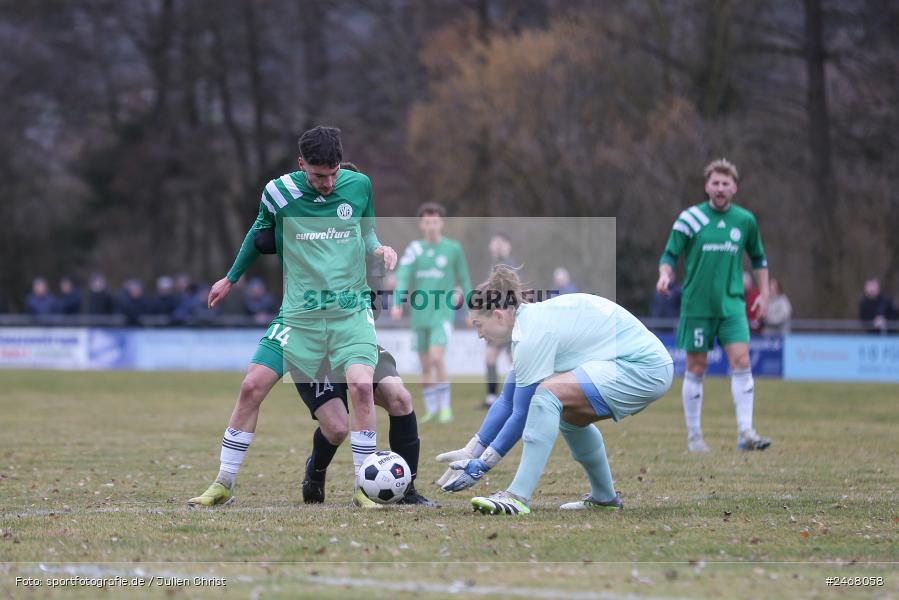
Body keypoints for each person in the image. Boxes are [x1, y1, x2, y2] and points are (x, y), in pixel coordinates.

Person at [188, 127, 397, 508]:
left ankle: (363, 489)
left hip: (350, 312)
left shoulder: (360, 185)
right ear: (301, 165)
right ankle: (223, 483)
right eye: (319, 176)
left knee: (361, 387)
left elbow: (367, 232)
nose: (328, 183)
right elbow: (258, 233)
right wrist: (230, 278)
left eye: (333, 174)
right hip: (299, 316)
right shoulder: (278, 192)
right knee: (251, 386)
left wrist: (379, 248)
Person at [250, 162, 435, 507]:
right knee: (336, 428)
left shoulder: (367, 245)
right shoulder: (306, 230)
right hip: (312, 344)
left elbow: (374, 307)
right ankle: (315, 471)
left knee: (400, 398)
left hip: (353, 338)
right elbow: (264, 236)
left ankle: (406, 489)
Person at [435, 266, 673, 515]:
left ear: (498, 316)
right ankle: (604, 498)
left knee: (547, 396)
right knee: (569, 417)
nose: (478, 334)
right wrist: (472, 450)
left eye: (478, 325)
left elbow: (521, 413)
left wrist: (482, 465)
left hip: (643, 367)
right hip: (638, 363)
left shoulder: (531, 336)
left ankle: (517, 496)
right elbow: (507, 401)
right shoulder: (528, 324)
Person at [656, 158, 771, 453]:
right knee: (697, 366)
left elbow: (758, 258)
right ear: (707, 186)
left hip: (732, 305)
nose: (720, 188)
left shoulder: (745, 220)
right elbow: (669, 255)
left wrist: (764, 293)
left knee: (742, 361)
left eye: (725, 183)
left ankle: (746, 432)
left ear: (734, 188)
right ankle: (695, 437)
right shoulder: (690, 218)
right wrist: (665, 275)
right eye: (715, 183)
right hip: (697, 306)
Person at [390, 203, 472, 423]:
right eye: (427, 222)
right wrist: (397, 302)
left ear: (441, 223)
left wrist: (469, 309)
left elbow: (464, 279)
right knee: (425, 365)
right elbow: (403, 276)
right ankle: (431, 409)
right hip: (420, 315)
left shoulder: (453, 249)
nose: (431, 226)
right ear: (421, 225)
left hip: (442, 313)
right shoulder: (414, 249)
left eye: (435, 222)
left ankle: (445, 408)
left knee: (437, 357)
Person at [483, 233, 517, 408]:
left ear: (508, 246)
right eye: (494, 243)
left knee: (514, 360)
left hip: (508, 321)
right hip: (497, 321)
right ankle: (491, 397)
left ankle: (519, 396)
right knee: (490, 357)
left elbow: (513, 294)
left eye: (501, 243)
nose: (497, 246)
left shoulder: (510, 266)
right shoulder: (494, 267)